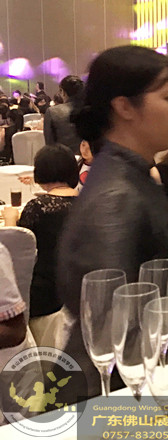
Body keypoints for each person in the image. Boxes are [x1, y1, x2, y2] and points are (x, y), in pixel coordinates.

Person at [58, 45, 168, 398]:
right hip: (112, 389)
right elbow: (108, 316)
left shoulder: (131, 175)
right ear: (124, 107)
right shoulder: (117, 194)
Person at [5, 144, 79, 348]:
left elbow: (17, 250)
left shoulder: (38, 207)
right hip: (76, 290)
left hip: (45, 295)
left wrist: (10, 219)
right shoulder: (86, 203)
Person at [43, 75, 84, 154]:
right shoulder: (91, 109)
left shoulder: (52, 112)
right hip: (90, 159)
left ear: (63, 92)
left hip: (62, 158)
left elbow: (49, 146)